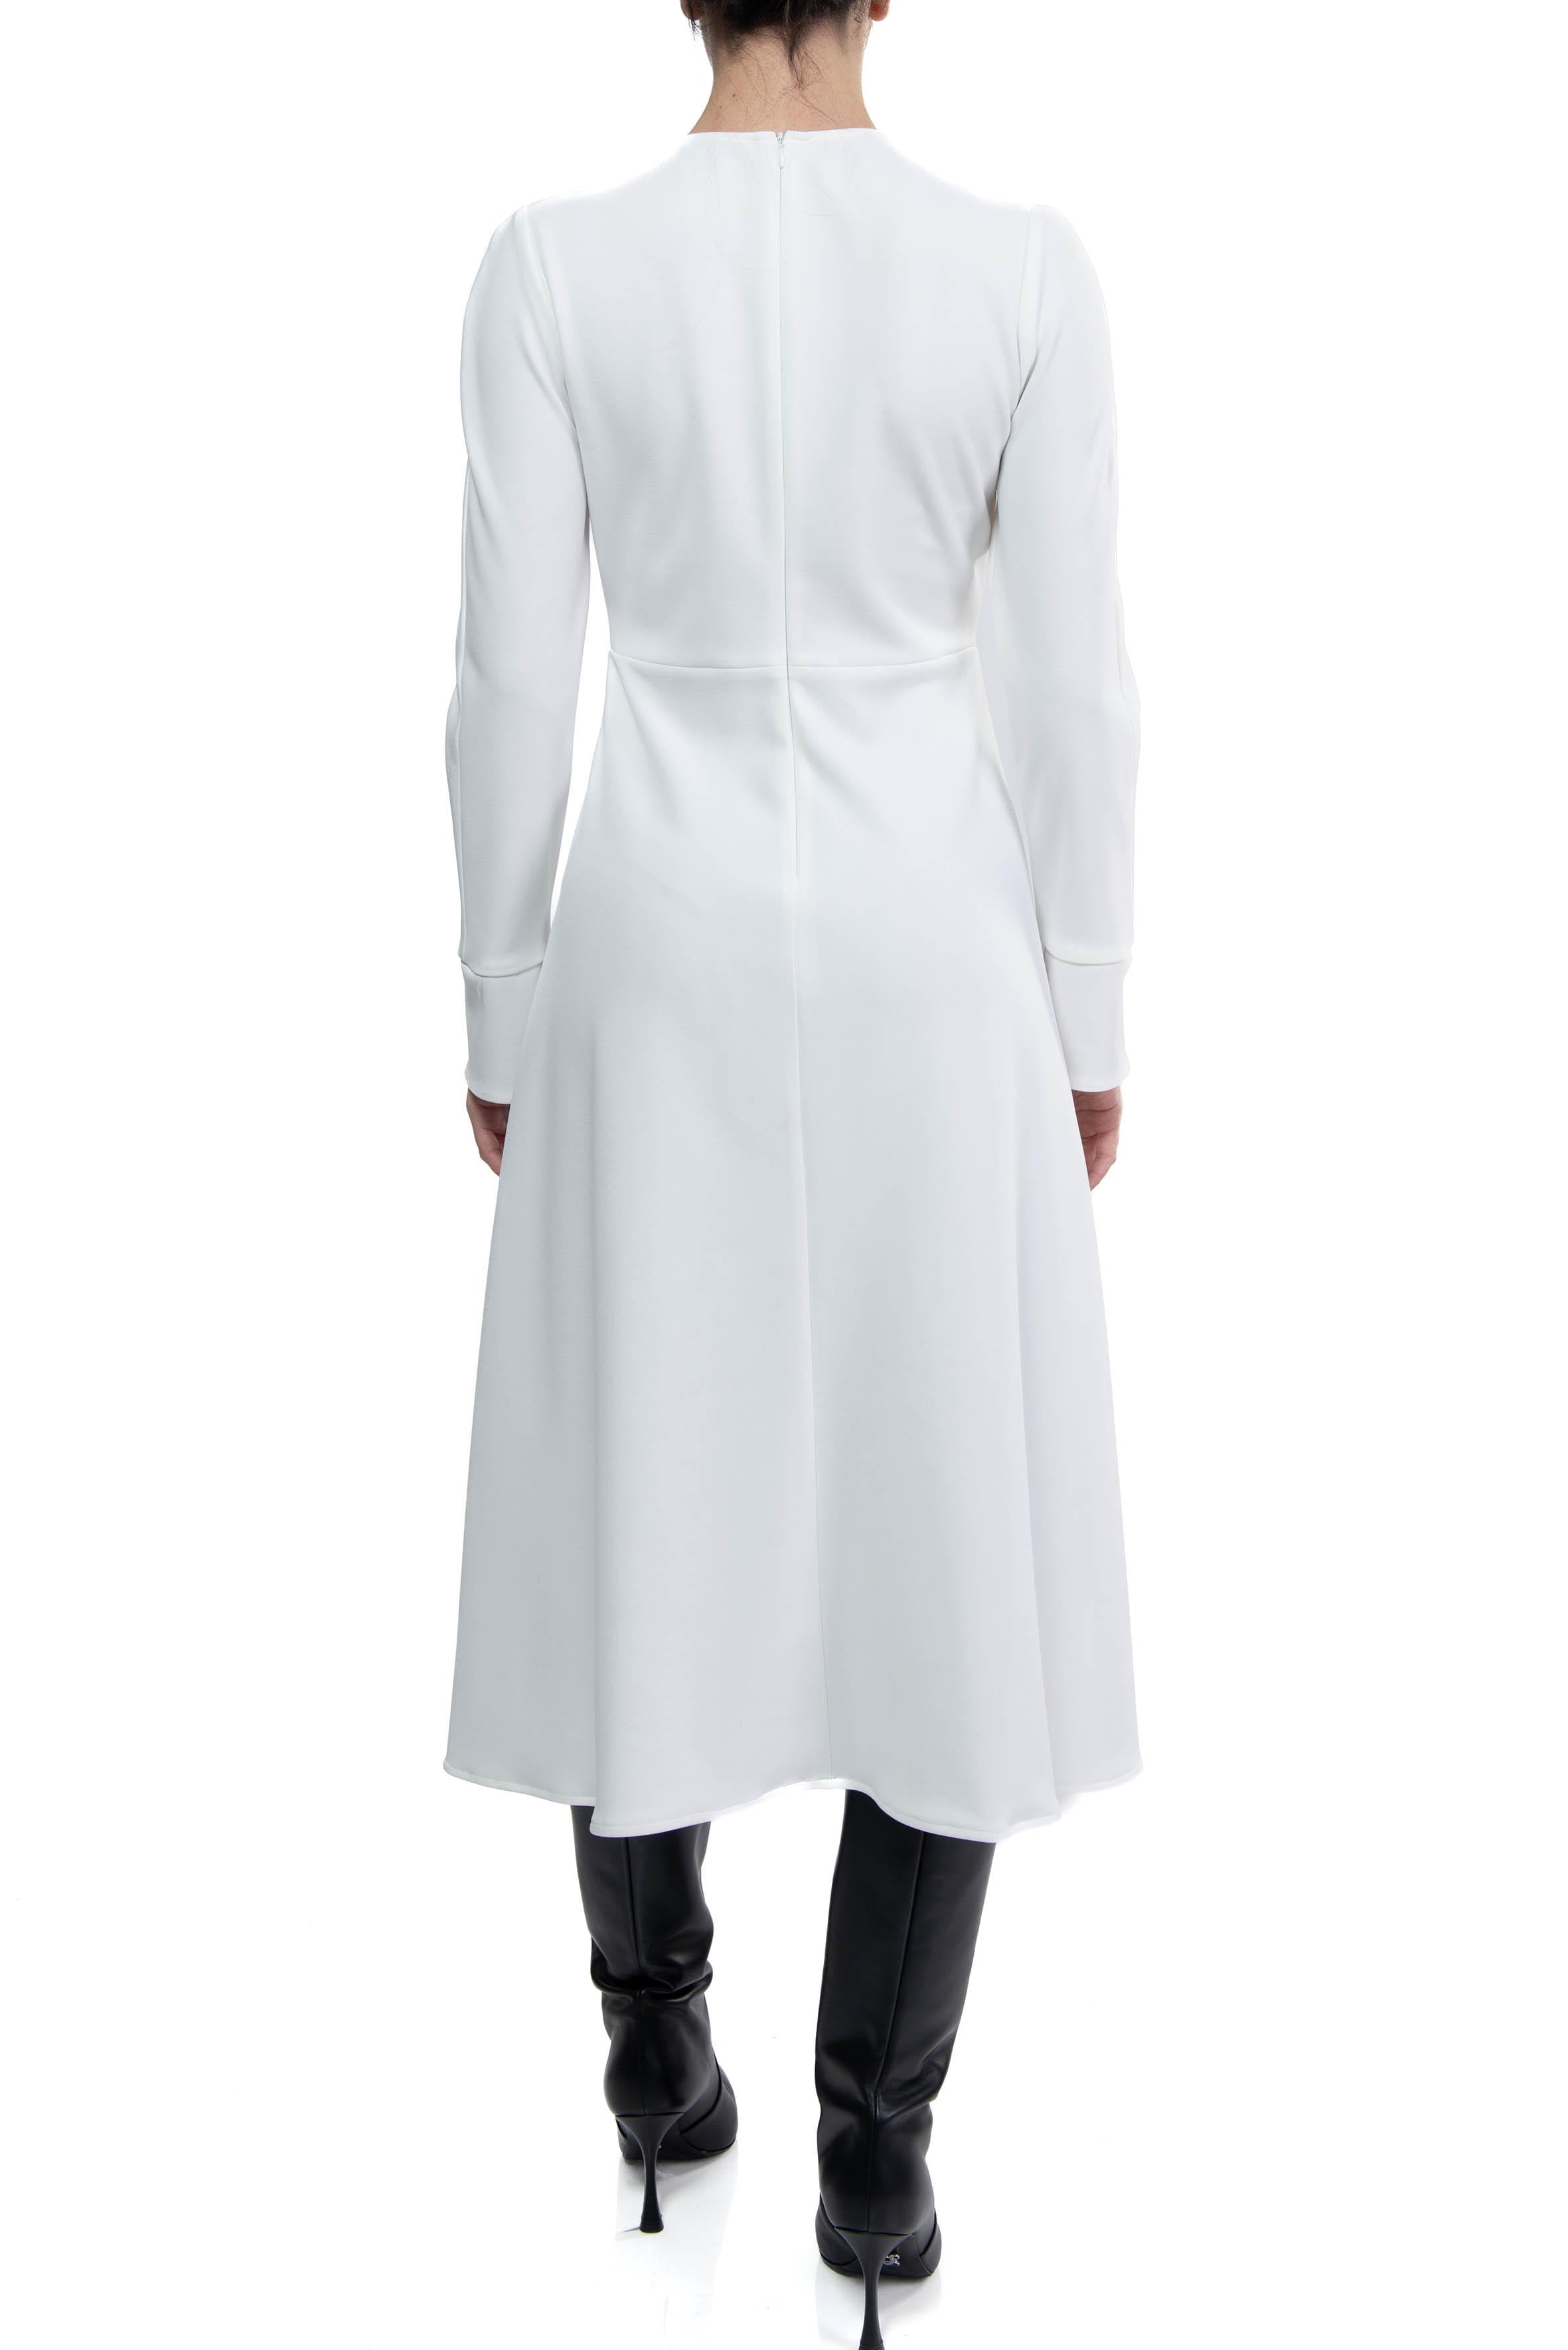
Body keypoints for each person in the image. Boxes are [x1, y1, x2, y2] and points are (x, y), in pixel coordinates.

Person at [441, 3, 1141, 2341]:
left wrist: (501, 997)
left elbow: (504, 683)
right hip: (935, 960)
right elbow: (1076, 692)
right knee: (940, 1529)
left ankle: (654, 2043)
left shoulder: (551, 271)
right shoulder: (1016, 273)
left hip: (653, 950)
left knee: (641, 1479)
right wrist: (1090, 1007)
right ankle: (876, 2141)